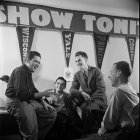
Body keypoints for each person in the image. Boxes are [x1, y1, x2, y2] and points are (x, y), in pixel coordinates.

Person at [75, 61, 139, 140]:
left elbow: (109, 121)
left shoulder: (119, 91)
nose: (109, 76)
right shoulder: (131, 89)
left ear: (118, 73)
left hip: (123, 133)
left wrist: (101, 130)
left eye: (111, 72)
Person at [5, 51, 57, 140]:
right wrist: (43, 93)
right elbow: (21, 94)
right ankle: (31, 134)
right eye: (35, 61)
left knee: (51, 113)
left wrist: (43, 102)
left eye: (39, 62)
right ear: (28, 60)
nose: (38, 64)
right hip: (16, 103)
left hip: (26, 101)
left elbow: (33, 90)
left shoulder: (28, 72)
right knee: (31, 129)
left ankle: (35, 136)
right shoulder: (20, 71)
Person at [70, 51, 107, 134]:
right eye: (76, 61)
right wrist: (81, 93)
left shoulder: (96, 71)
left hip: (98, 99)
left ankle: (86, 134)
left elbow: (101, 89)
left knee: (86, 109)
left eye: (79, 60)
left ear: (85, 60)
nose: (77, 63)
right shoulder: (77, 75)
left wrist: (89, 99)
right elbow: (72, 89)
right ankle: (77, 128)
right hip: (87, 99)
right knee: (69, 99)